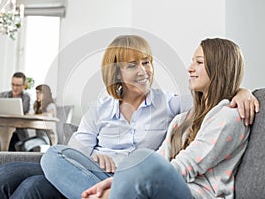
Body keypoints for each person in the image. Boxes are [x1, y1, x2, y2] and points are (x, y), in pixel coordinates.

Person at [0, 35, 258, 199]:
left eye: (146, 62)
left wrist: (242, 91)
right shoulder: (102, 108)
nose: (144, 71)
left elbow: (218, 96)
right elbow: (74, 151)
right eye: (132, 65)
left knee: (33, 185)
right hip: (96, 172)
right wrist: (94, 159)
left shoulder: (170, 105)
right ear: (117, 74)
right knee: (23, 166)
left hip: (136, 179)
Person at [81, 38, 252, 199]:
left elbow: (187, 165)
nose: (190, 68)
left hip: (196, 194)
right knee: (55, 155)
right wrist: (118, 181)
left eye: (198, 62)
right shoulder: (182, 119)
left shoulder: (231, 115)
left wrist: (241, 92)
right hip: (160, 184)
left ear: (220, 68)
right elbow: (161, 158)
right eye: (193, 61)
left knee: (139, 159)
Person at [0, 71, 31, 151]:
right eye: (13, 84)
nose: (15, 88)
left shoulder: (26, 97)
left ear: (23, 86)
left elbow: (24, 110)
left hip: (18, 133)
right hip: (1, 131)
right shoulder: (2, 95)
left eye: (18, 85)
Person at [15, 84, 57, 152]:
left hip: (46, 139)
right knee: (18, 145)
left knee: (26, 145)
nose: (37, 95)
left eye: (39, 93)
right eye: (36, 93)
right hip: (39, 137)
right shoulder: (38, 107)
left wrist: (33, 116)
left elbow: (48, 115)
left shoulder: (51, 106)